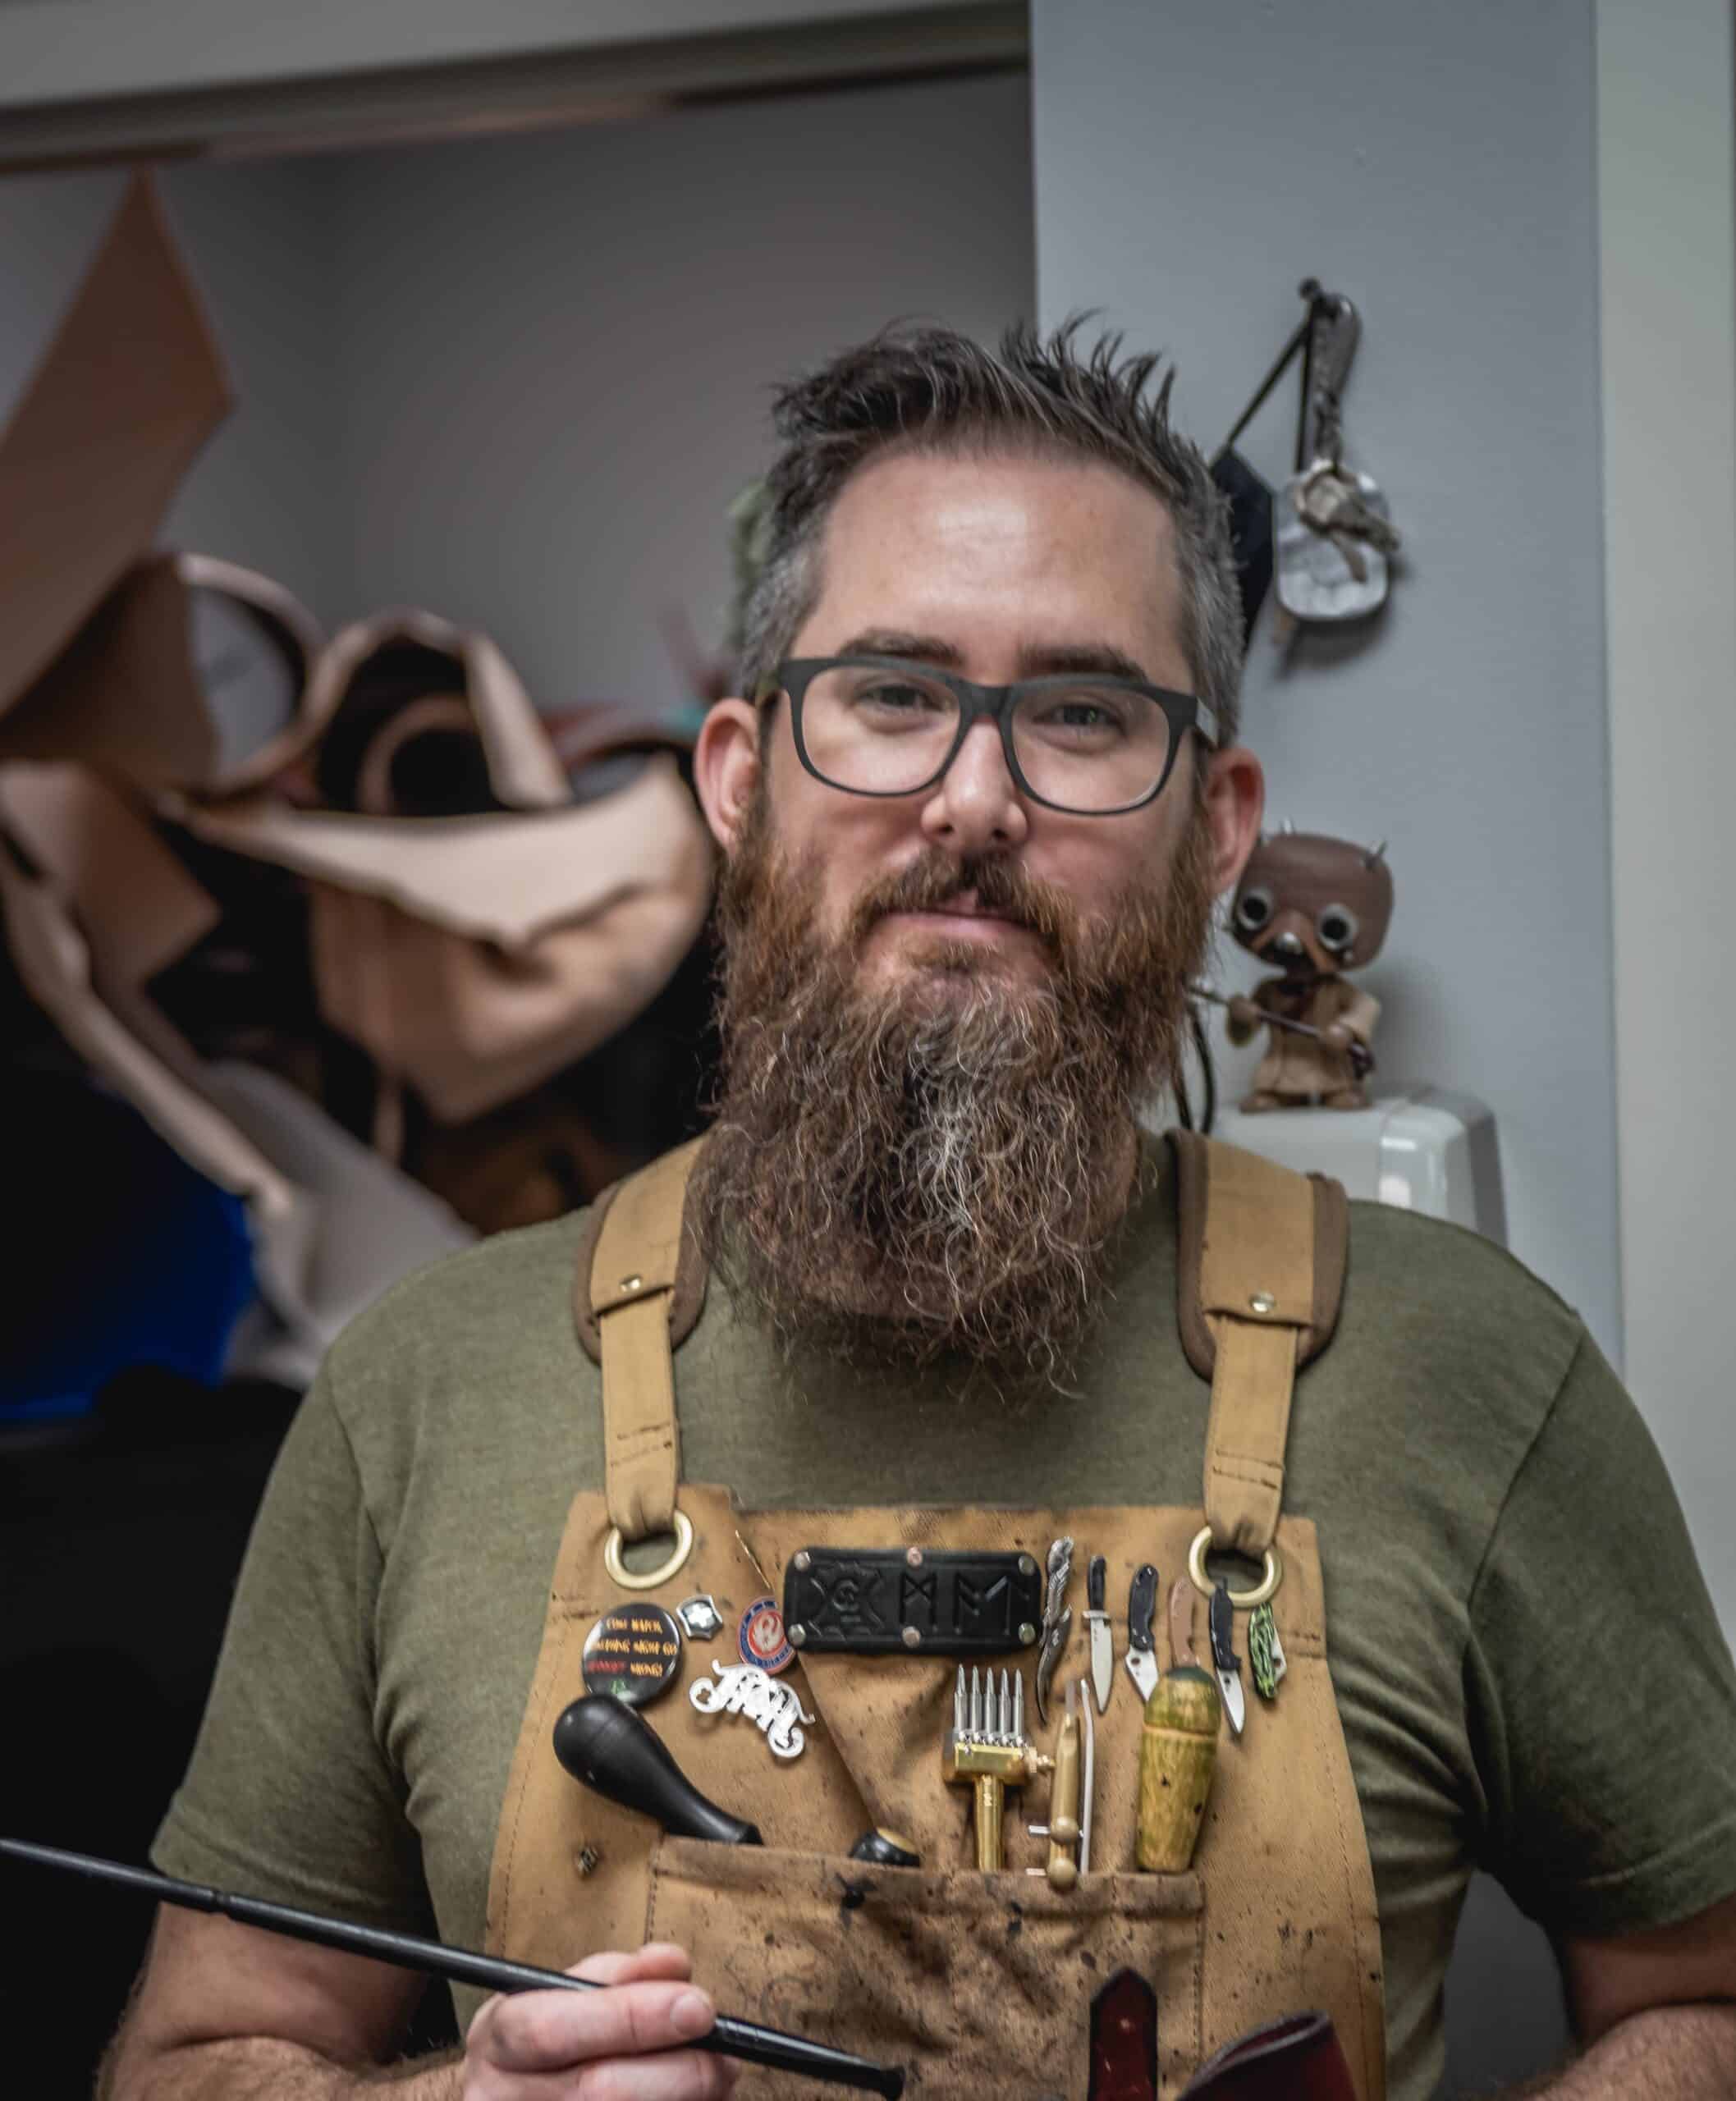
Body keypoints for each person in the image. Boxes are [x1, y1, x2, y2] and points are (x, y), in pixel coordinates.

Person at [103, 324, 1736, 2101]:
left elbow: (1704, 2004)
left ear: (1215, 829)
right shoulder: (420, 1391)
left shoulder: (1467, 1372)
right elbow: (195, 2055)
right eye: (888, 694)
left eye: (1084, 714)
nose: (973, 798)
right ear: (739, 777)